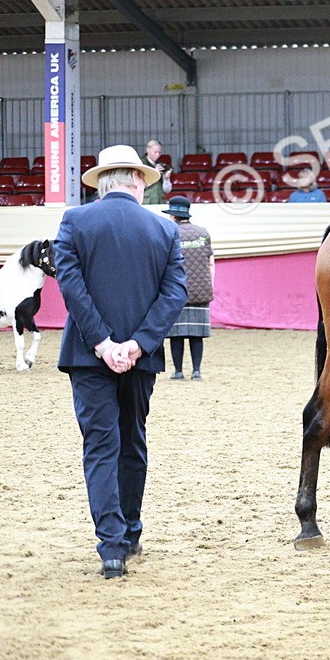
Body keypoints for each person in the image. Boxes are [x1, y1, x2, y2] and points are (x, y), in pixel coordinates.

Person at [54, 145, 187, 579]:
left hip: (88, 356)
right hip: (141, 358)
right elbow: (174, 295)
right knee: (133, 442)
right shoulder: (165, 229)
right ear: (136, 180)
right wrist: (137, 344)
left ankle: (111, 546)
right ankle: (130, 532)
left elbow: (72, 288)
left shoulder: (75, 221)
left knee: (100, 446)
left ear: (103, 182)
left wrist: (101, 343)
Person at [163, 197, 215, 381]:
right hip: (200, 291)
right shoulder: (203, 233)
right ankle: (196, 371)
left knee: (176, 334)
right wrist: (209, 286)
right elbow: (211, 263)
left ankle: (178, 371)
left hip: (176, 291)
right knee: (196, 333)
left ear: (173, 215)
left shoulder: (170, 232)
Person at [141, 140, 173, 205]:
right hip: (146, 202)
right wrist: (154, 173)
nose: (157, 155)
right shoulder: (141, 164)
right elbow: (140, 185)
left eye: (159, 152)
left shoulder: (160, 165)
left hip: (160, 202)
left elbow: (167, 190)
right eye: (155, 152)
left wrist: (166, 178)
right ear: (148, 150)